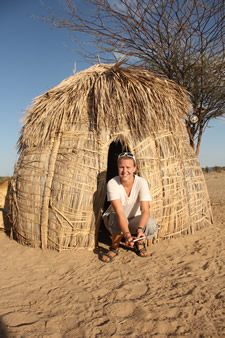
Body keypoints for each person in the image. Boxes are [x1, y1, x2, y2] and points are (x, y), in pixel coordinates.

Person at [101, 152, 158, 263]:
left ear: (134, 168)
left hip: (133, 220)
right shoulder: (112, 183)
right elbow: (119, 212)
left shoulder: (141, 183)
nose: (125, 171)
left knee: (150, 224)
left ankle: (139, 241)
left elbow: (145, 210)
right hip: (115, 219)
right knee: (115, 217)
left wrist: (140, 229)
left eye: (128, 167)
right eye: (121, 167)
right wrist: (127, 235)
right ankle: (115, 247)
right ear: (118, 168)